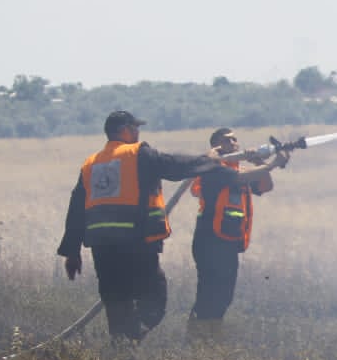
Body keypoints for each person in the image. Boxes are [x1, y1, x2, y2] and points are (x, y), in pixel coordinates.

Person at [58, 111, 224, 342]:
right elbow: (173, 165)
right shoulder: (137, 154)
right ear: (124, 129)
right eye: (135, 128)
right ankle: (131, 337)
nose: (137, 133)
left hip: (102, 247)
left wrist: (72, 252)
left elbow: (76, 209)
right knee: (154, 300)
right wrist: (208, 159)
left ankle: (119, 353)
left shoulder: (91, 164)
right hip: (135, 243)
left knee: (116, 301)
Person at [187, 127, 289, 329]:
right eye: (227, 140)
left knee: (224, 296)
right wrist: (274, 164)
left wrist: (258, 162)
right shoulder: (212, 168)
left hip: (228, 242)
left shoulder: (239, 171)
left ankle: (210, 339)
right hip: (210, 241)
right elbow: (238, 179)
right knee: (209, 295)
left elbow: (264, 186)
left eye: (235, 140)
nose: (234, 143)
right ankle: (197, 338)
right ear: (216, 146)